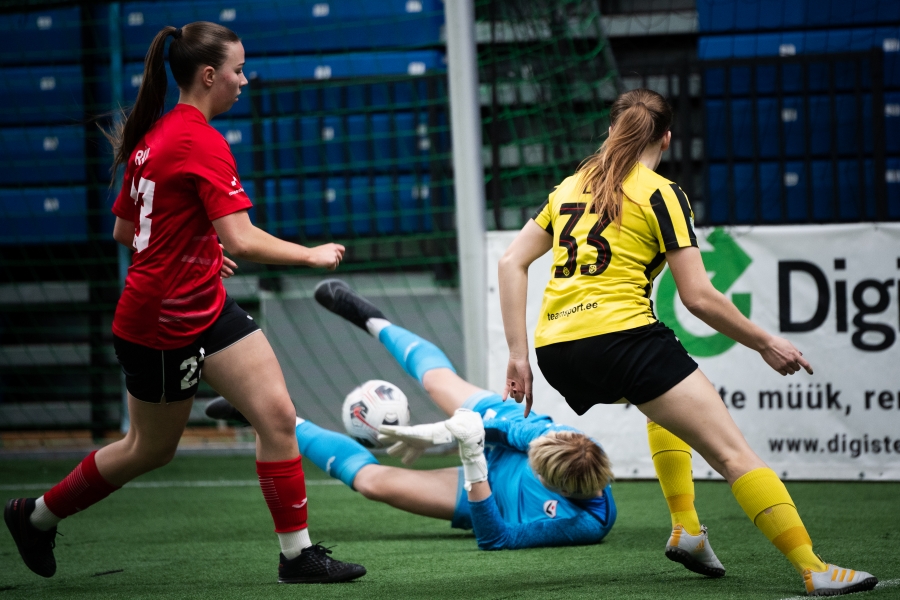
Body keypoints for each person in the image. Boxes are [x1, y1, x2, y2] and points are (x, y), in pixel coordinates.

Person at [3, 22, 364, 584]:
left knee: (276, 417)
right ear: (209, 75)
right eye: (239, 70)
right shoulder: (199, 141)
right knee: (149, 449)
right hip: (159, 322)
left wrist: (197, 248)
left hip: (205, 304)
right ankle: (36, 516)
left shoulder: (158, 134)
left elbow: (127, 231)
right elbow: (241, 239)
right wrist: (310, 255)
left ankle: (298, 557)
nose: (245, 80)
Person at [497, 88, 878, 596]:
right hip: (623, 338)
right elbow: (698, 297)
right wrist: (764, 342)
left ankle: (687, 529)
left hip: (558, 352)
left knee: (663, 409)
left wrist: (518, 356)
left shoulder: (568, 187)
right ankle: (814, 569)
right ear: (667, 139)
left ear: (611, 130)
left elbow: (511, 262)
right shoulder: (661, 193)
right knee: (733, 454)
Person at [208, 279, 617, 550]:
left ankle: (265, 417)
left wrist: (474, 463)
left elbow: (497, 538)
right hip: (496, 431)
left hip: (484, 491)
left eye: (538, 468)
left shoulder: (584, 525)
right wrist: (441, 434)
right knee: (438, 383)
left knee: (372, 483)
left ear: (556, 486)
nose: (534, 458)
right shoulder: (556, 439)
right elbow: (502, 429)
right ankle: (373, 320)